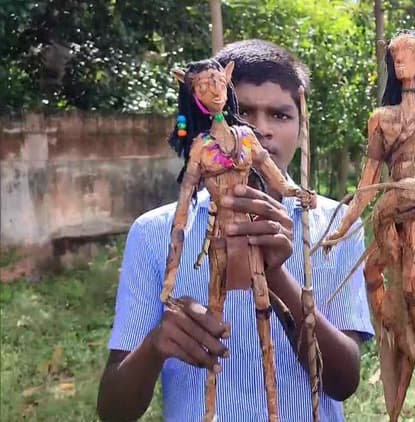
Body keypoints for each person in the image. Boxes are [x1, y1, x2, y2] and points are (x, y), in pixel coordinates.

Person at [96, 39, 374, 422]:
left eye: (280, 115)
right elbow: (113, 410)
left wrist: (276, 275)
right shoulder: (155, 233)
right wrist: (156, 344)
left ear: (300, 125)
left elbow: (343, 381)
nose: (262, 130)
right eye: (243, 112)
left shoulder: (335, 226)